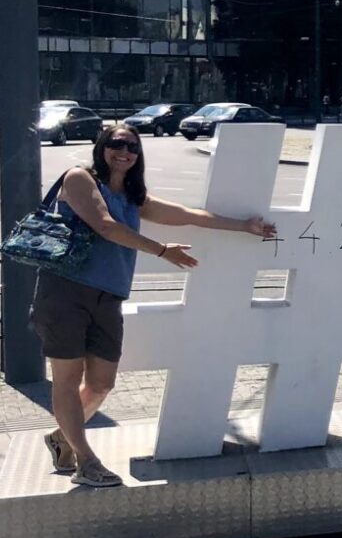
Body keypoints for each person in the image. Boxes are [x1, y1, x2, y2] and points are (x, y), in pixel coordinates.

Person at [33, 123, 277, 487]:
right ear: (102, 147)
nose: (124, 151)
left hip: (107, 297)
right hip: (65, 292)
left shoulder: (134, 197)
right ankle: (85, 461)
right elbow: (105, 225)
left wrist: (243, 226)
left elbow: (185, 214)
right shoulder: (79, 179)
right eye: (116, 144)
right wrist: (162, 251)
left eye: (132, 146)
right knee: (67, 381)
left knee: (101, 384)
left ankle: (62, 437)